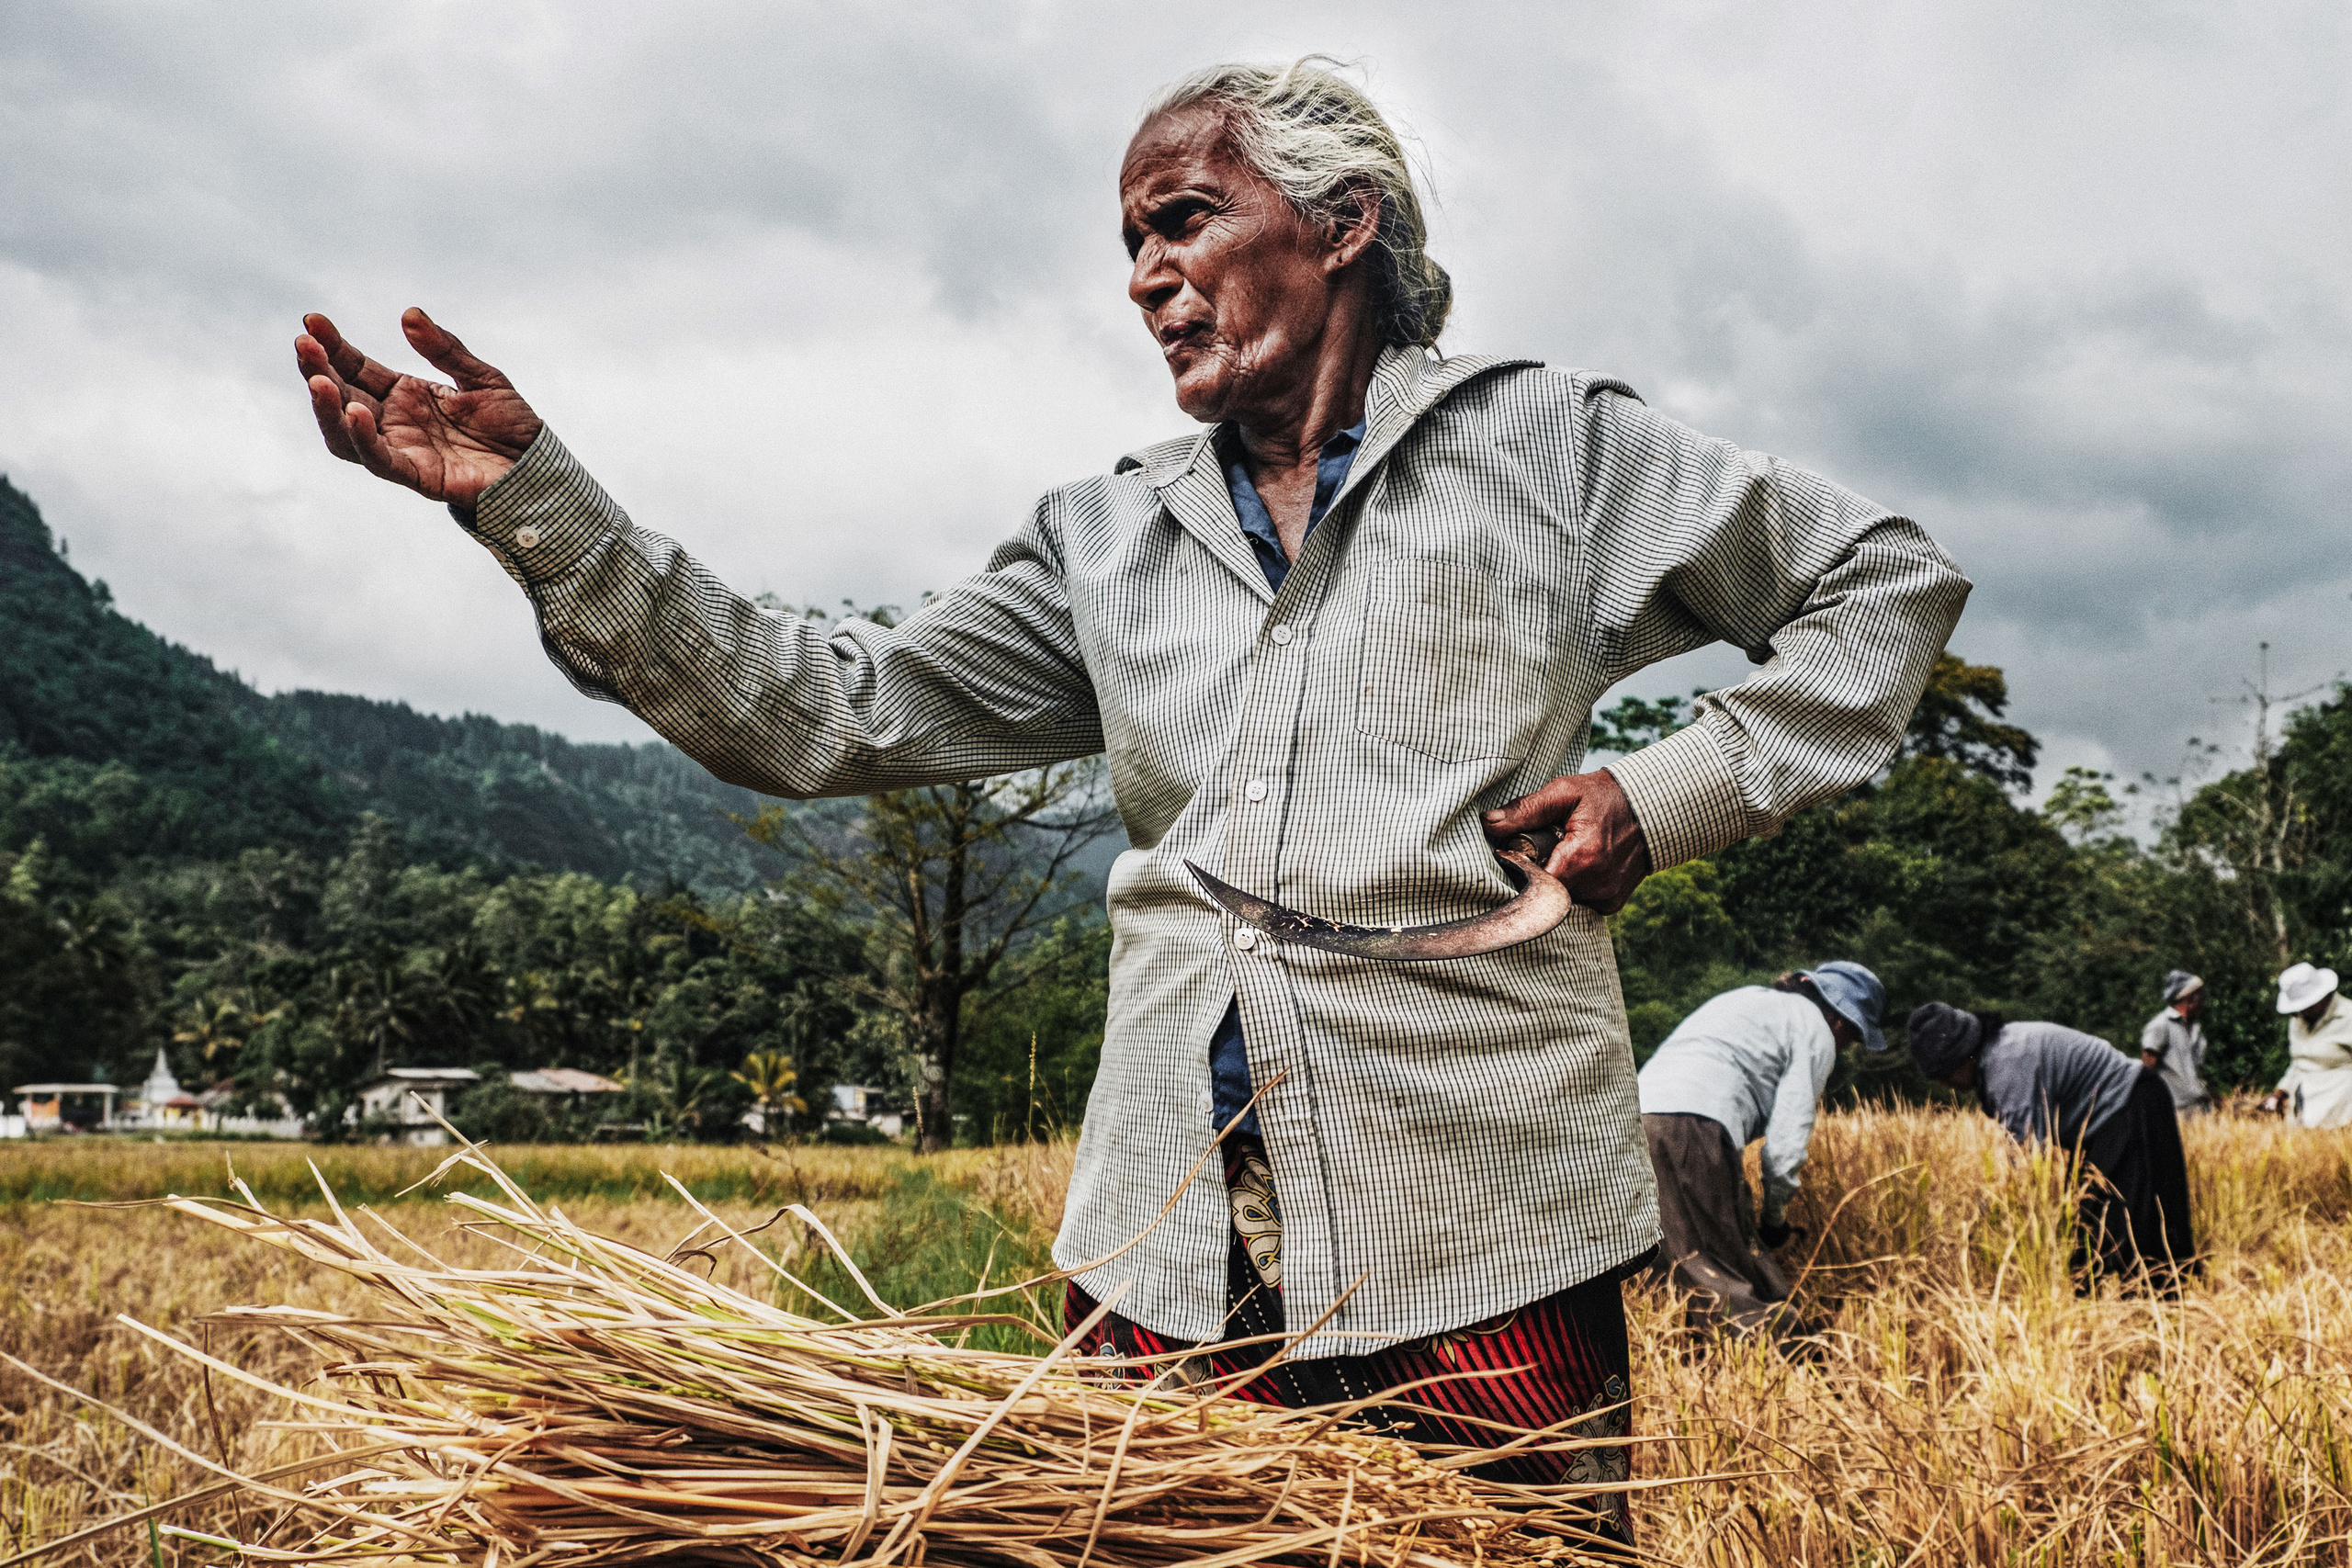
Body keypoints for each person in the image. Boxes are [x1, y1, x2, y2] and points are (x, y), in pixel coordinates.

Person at [291, 58, 1969, 1542]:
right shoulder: (1106, 539)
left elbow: (1882, 584)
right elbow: (826, 709)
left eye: (1180, 220)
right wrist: (536, 506)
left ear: (1343, 227)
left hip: (1481, 1212)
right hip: (1170, 1238)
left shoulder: (1549, 449)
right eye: (1130, 249)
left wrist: (1660, 796)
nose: (1148, 277)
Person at [1637, 963, 1887, 1338]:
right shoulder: (1815, 1029)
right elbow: (1785, 1149)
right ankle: (1795, 1354)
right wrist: (1774, 1220)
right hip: (1692, 1128)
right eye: (1850, 1038)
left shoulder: (1747, 1000)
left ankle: (1701, 1355)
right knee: (1724, 1269)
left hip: (1632, 1121)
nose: (1843, 1047)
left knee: (1668, 1260)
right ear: (1840, 1022)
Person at [1908, 1003, 2194, 1293]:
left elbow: (2026, 1158)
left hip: (2132, 1105)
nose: (1947, 1085)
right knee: (2093, 1229)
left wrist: (1978, 1221)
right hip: (2110, 1121)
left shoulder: (2006, 1065)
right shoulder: (1998, 1053)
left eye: (1944, 1075)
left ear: (1962, 1058)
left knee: (2128, 1233)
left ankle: (2152, 1314)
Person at [2264, 963, 2352, 1128]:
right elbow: (2297, 1063)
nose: (2303, 1012)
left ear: (2323, 995)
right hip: (2301, 1110)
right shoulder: (2297, 1021)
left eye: (2308, 1006)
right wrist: (2279, 1093)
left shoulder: (2348, 1016)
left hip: (2341, 1112)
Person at [2139, 970, 2211, 1117]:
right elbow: (2147, 1070)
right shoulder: (2160, 1025)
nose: (2203, 1001)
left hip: (2200, 1109)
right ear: (2191, 998)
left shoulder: (2195, 1028)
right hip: (2174, 1111)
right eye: (2201, 996)